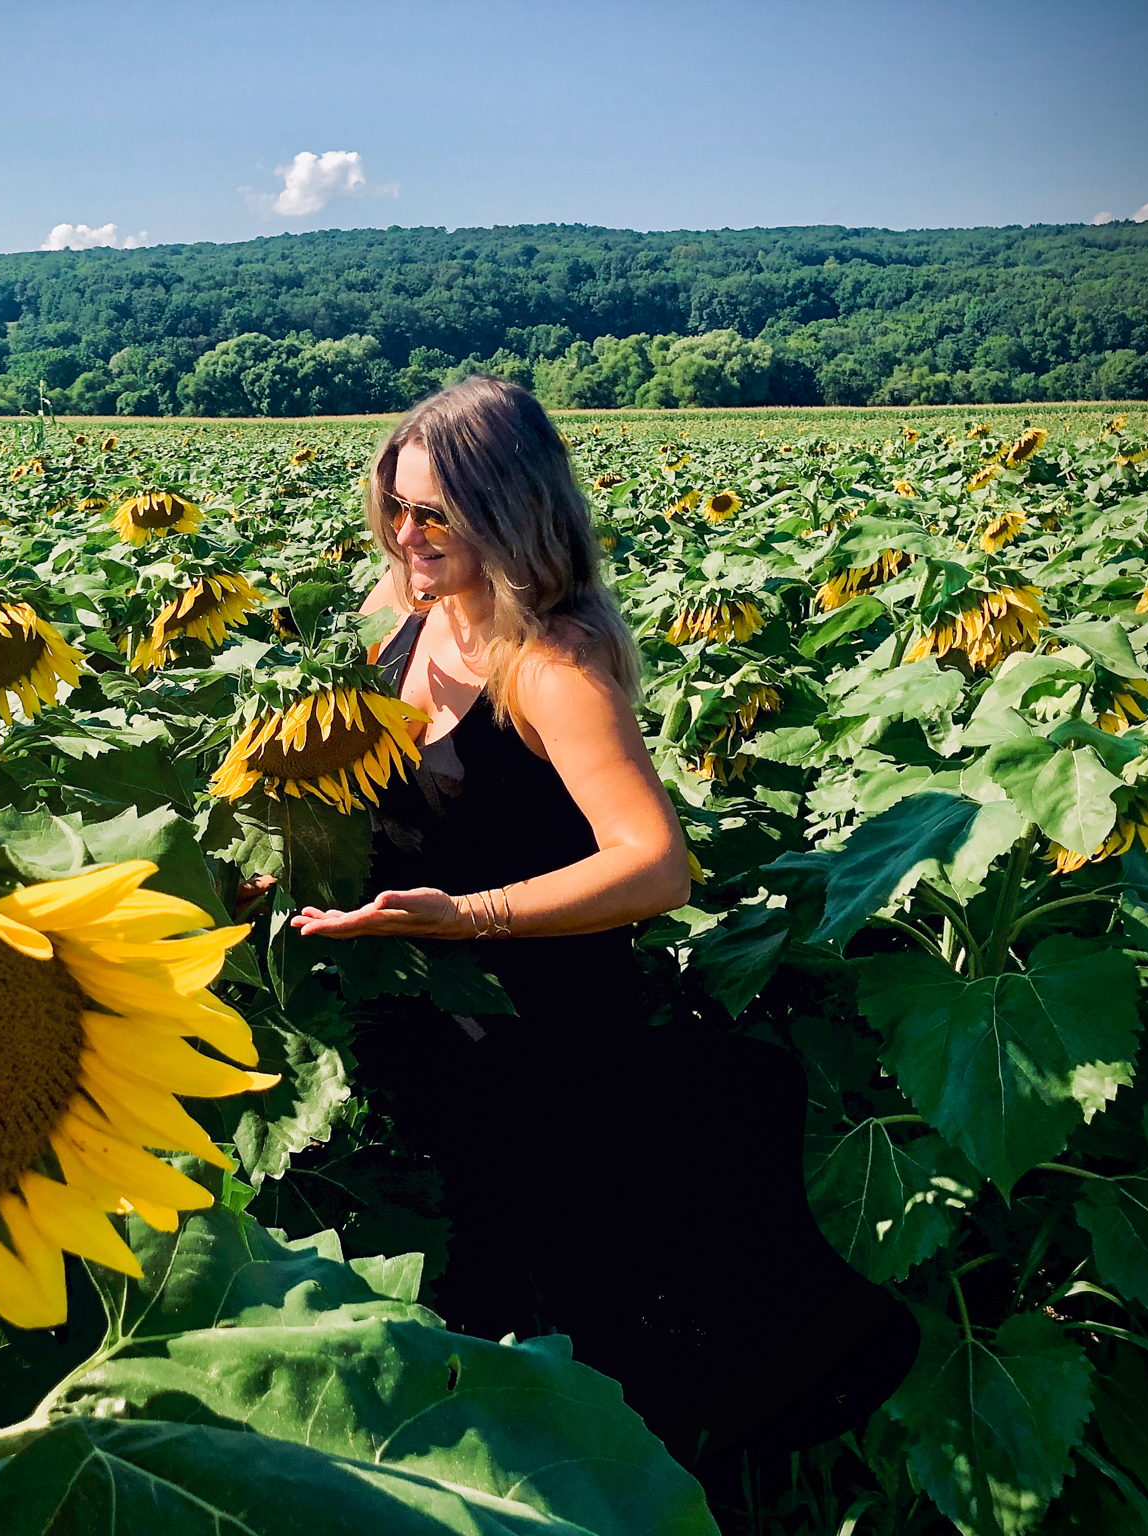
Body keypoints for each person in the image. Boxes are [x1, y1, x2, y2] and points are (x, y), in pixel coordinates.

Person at [288, 376, 918, 1482]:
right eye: (391, 504)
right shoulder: (396, 619)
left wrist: (468, 918)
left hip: (539, 1036)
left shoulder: (550, 663)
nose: (403, 533)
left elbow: (653, 863)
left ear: (505, 508)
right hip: (424, 1016)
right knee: (455, 1289)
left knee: (562, 1313)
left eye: (431, 512)